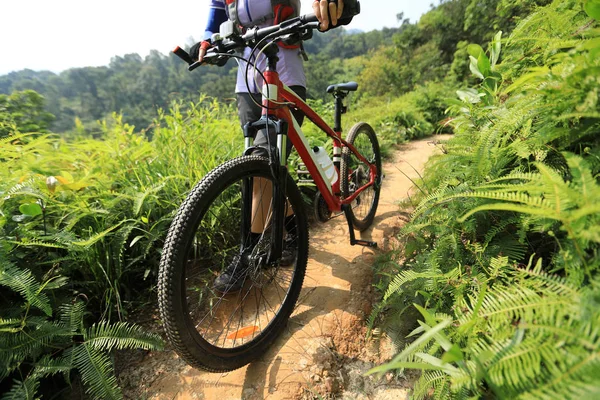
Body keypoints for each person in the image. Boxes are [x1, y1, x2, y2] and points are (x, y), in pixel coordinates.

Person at [191, 0, 347, 293]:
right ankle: (292, 231)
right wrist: (207, 37)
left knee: (262, 162)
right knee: (259, 165)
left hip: (283, 67)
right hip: (246, 74)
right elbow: (218, 6)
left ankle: (247, 254)